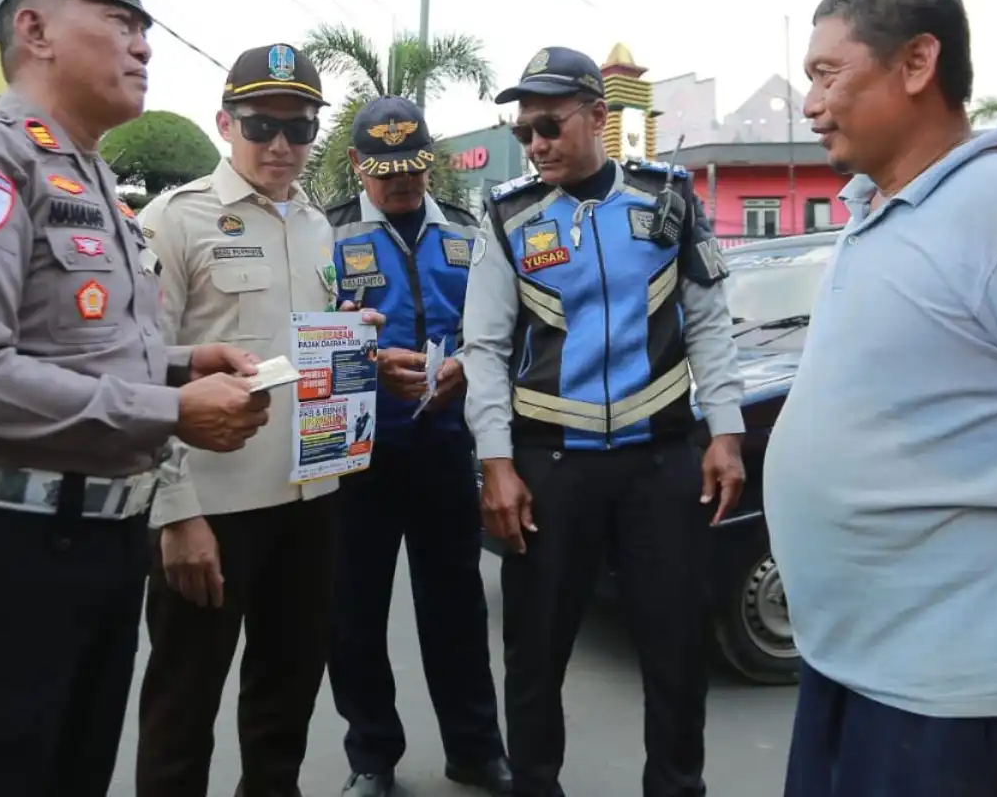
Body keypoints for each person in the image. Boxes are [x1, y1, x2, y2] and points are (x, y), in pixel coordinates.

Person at [0, 0, 271, 797]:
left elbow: (76, 348)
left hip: (97, 548)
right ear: (34, 28)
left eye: (143, 25)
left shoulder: (94, 177)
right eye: (119, 20)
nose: (143, 44)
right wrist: (171, 408)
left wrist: (183, 365)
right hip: (0, 551)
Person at [767, 0, 997, 797]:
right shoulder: (874, 210)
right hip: (850, 664)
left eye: (828, 72)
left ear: (916, 63)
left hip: (950, 699)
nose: (810, 102)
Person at [461, 47, 747, 797]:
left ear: (597, 117)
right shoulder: (510, 216)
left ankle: (677, 787)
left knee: (677, 649)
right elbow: (484, 349)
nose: (537, 144)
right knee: (534, 654)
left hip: (661, 462)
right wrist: (495, 463)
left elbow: (710, 323)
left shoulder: (666, 200)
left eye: (550, 125)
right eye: (525, 132)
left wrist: (724, 431)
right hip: (549, 467)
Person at [133, 43, 345, 797]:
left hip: (310, 500)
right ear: (226, 122)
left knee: (284, 702)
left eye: (300, 127)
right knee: (182, 708)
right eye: (262, 126)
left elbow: (310, 349)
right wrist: (175, 511)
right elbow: (141, 369)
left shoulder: (320, 226)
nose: (282, 146)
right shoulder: (177, 219)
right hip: (212, 510)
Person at [323, 97, 511, 797]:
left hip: (443, 451)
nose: (401, 185)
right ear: (355, 166)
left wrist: (464, 362)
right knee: (355, 615)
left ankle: (475, 750)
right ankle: (371, 756)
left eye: (411, 169)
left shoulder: (467, 232)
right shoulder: (329, 234)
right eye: (384, 172)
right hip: (358, 456)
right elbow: (305, 335)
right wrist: (366, 363)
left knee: (457, 609)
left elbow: (497, 331)